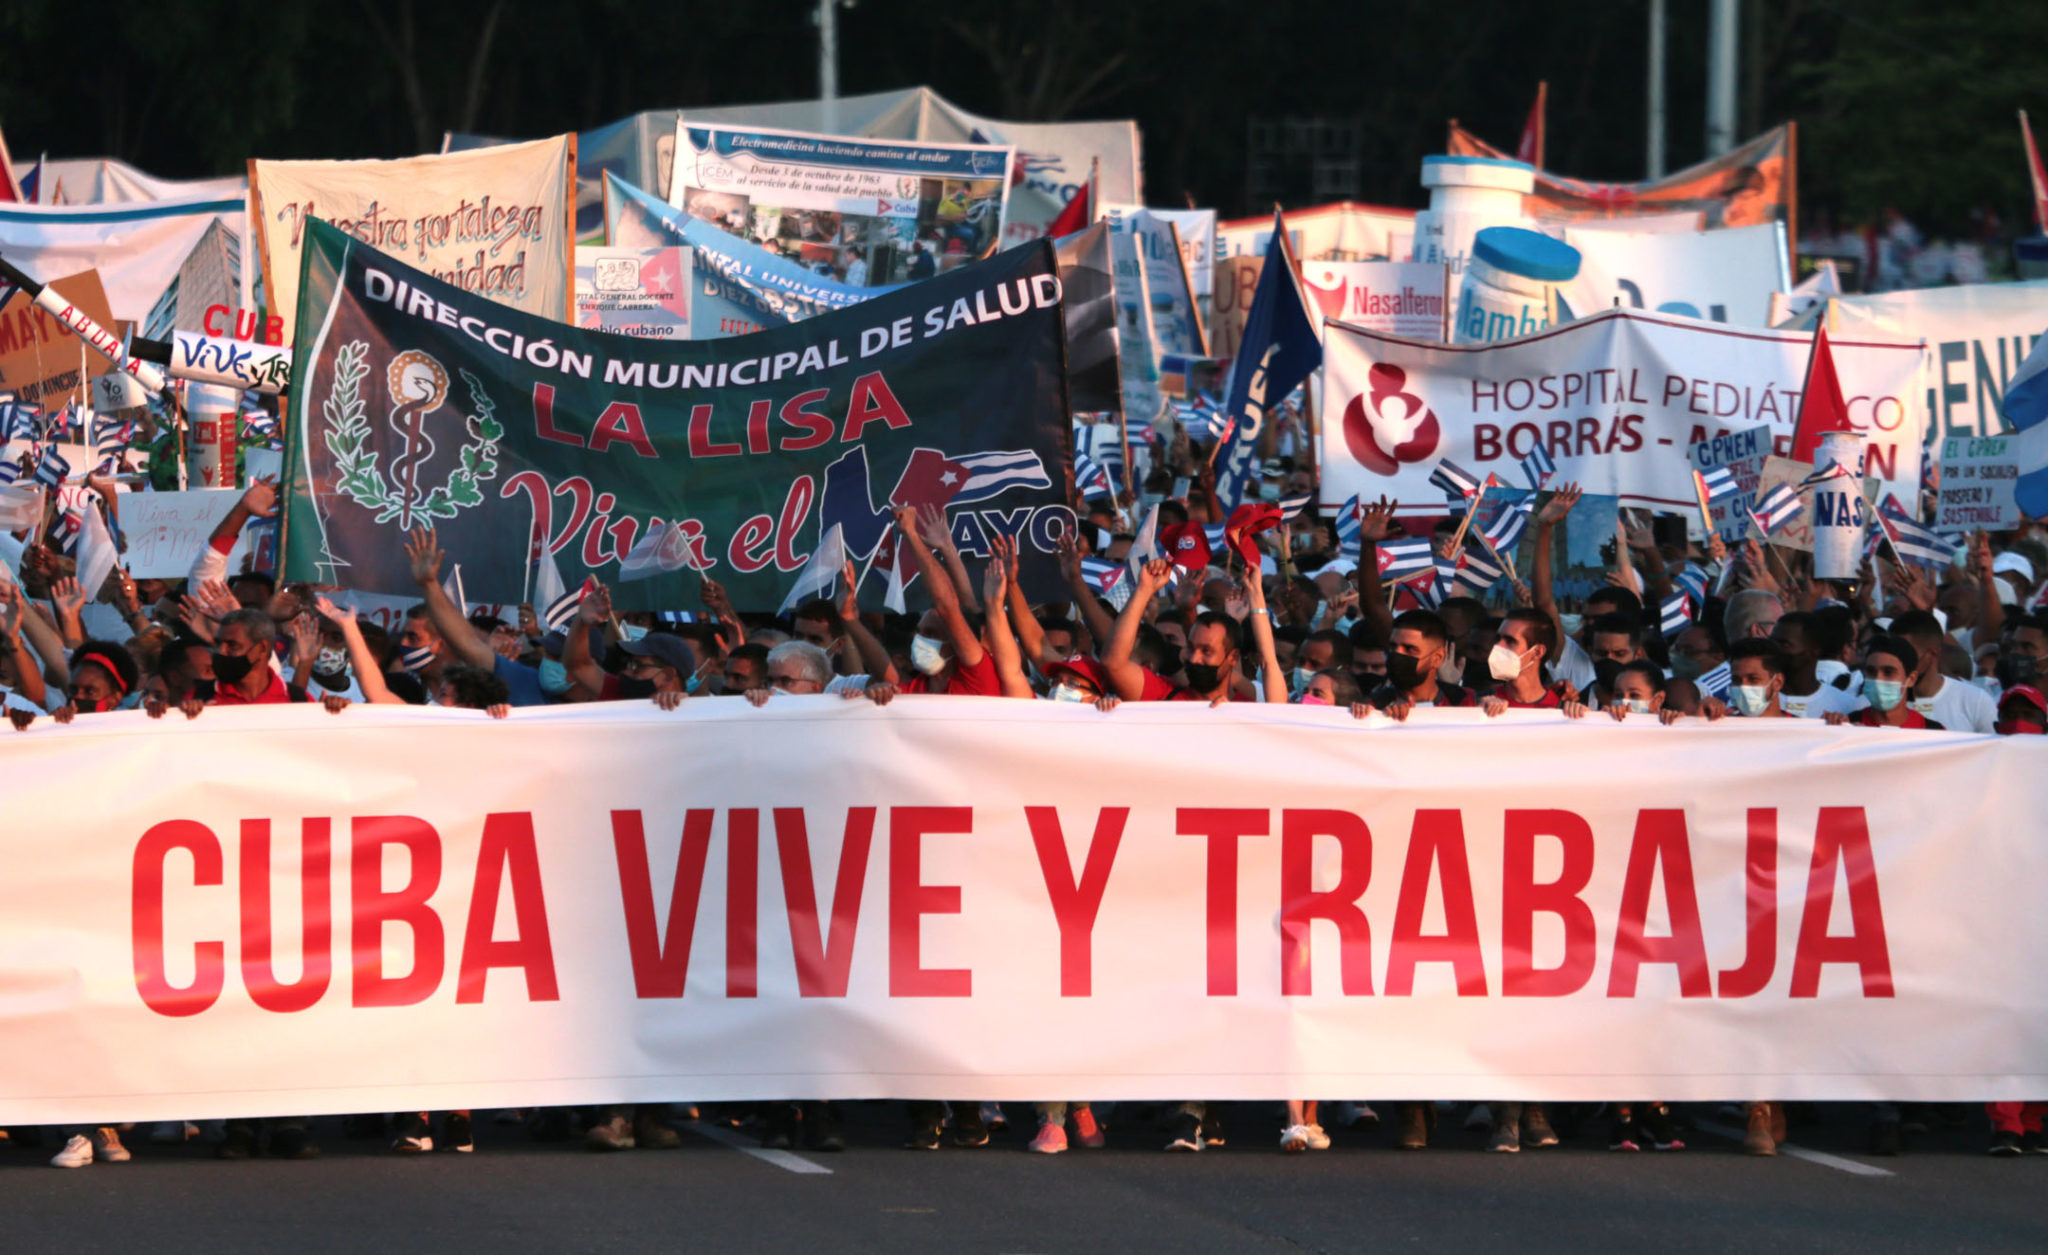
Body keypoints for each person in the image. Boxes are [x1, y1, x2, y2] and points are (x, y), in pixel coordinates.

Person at [1892, 609, 1995, 732]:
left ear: (1932, 653)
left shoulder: (1976, 701)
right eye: (1892, 654)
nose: (1896, 662)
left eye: (1905, 654)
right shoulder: (1872, 701)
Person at [1826, 636, 1941, 730]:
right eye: (1871, 671)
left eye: (1888, 672)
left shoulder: (1933, 733)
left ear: (1911, 679)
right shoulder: (1847, 726)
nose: (1878, 679)